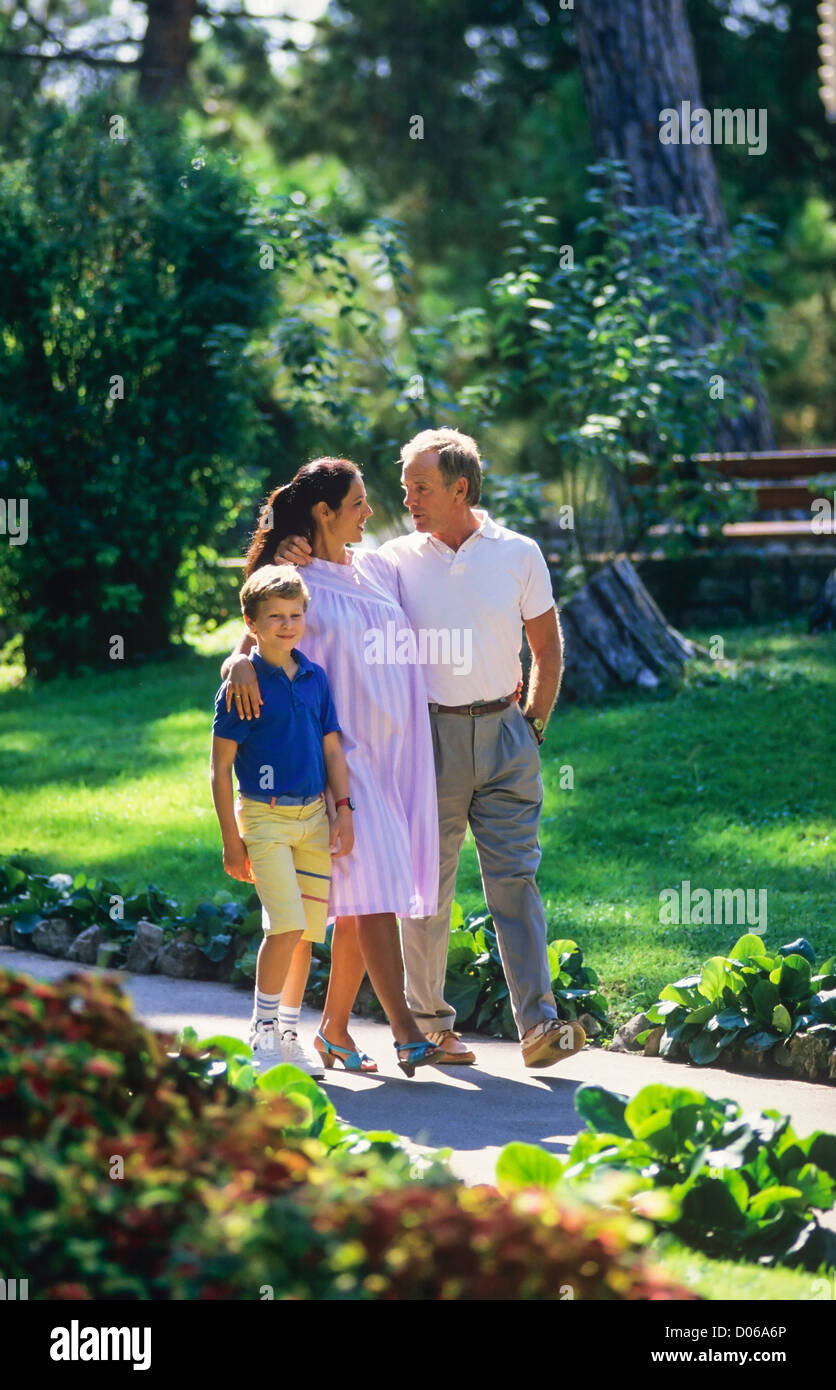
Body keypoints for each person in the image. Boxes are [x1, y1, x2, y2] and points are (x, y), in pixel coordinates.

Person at [271, 428, 586, 1070]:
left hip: (506, 733)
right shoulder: (392, 560)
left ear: (459, 488)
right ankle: (429, 1026)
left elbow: (546, 647)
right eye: (404, 485)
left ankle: (539, 1025)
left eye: (420, 487)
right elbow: (328, 576)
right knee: (423, 887)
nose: (406, 497)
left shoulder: (519, 552)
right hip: (429, 739)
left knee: (515, 879)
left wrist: (534, 724)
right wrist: (287, 546)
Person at [221, 459, 443, 1079]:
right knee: (372, 894)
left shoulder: (369, 566)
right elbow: (262, 635)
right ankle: (406, 1030)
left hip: (394, 756)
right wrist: (236, 662)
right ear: (324, 513)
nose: (370, 513)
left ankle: (335, 1031)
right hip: (340, 758)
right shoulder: (295, 576)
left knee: (365, 895)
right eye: (357, 504)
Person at [211, 564, 353, 1078]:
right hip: (265, 819)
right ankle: (263, 1029)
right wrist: (233, 840)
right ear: (251, 622)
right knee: (285, 925)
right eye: (275, 617)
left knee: (306, 932)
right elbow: (219, 768)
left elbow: (332, 748)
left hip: (315, 817)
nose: (287, 624)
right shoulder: (242, 686)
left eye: (295, 615)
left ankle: (290, 1032)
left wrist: (344, 810)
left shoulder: (314, 677)